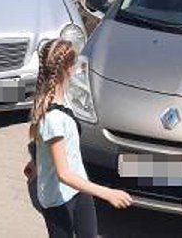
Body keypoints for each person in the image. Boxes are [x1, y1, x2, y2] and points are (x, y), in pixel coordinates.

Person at [24, 40, 131, 237]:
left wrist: (35, 160)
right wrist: (108, 193)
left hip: (79, 188)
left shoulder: (61, 98)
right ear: (68, 69)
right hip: (58, 199)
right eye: (76, 64)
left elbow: (43, 142)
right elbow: (63, 174)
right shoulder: (54, 119)